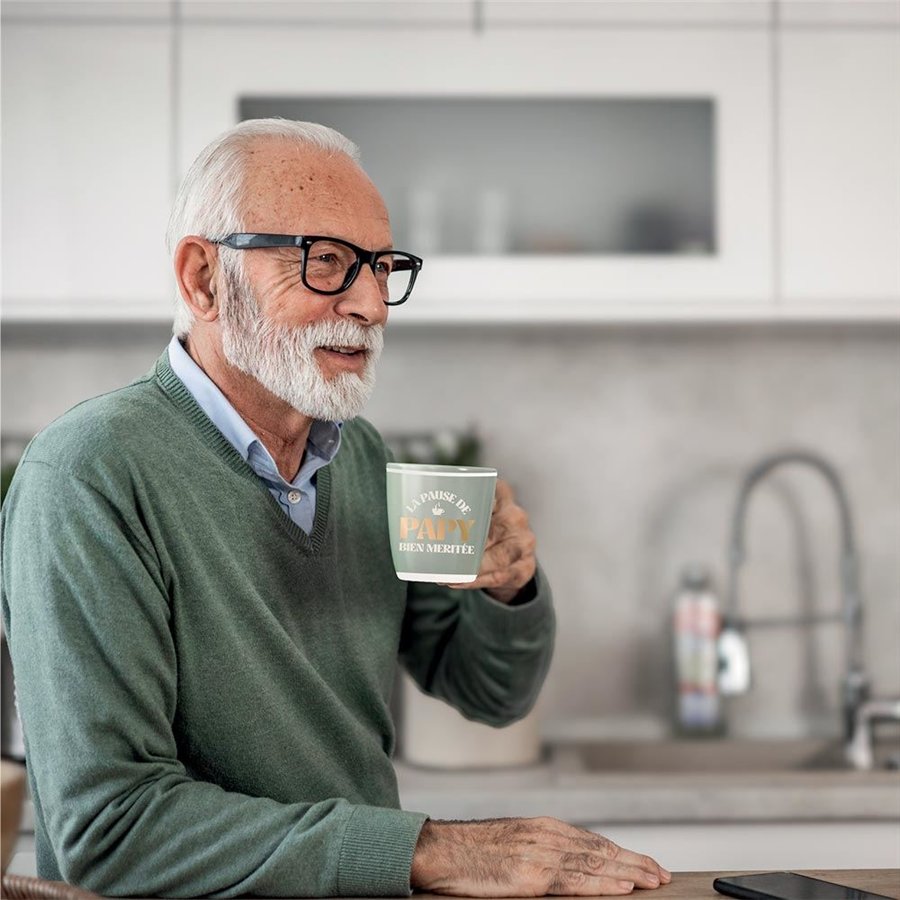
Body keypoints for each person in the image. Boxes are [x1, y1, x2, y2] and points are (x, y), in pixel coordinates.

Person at [1, 119, 670, 897]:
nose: (372, 305)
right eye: (326, 263)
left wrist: (507, 590)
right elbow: (111, 835)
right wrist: (429, 851)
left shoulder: (363, 458)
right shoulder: (88, 475)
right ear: (203, 280)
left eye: (383, 268)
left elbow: (490, 693)